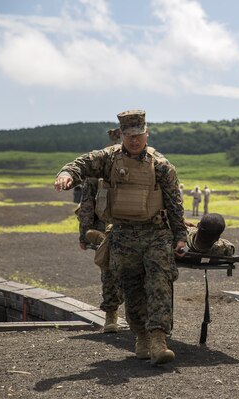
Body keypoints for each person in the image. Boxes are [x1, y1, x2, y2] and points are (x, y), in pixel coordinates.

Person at [54, 110, 186, 366]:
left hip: (155, 233)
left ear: (146, 133)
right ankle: (141, 337)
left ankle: (159, 340)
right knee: (132, 287)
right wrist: (66, 174)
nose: (134, 140)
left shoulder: (161, 165)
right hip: (124, 235)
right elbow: (81, 163)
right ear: (122, 135)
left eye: (139, 135)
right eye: (129, 135)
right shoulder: (108, 159)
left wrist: (180, 236)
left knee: (160, 283)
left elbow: (174, 203)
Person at [76, 128, 123, 333]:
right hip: (105, 231)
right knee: (109, 271)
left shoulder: (141, 165)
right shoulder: (97, 173)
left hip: (132, 228)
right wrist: (84, 233)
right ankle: (111, 315)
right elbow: (86, 203)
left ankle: (134, 317)